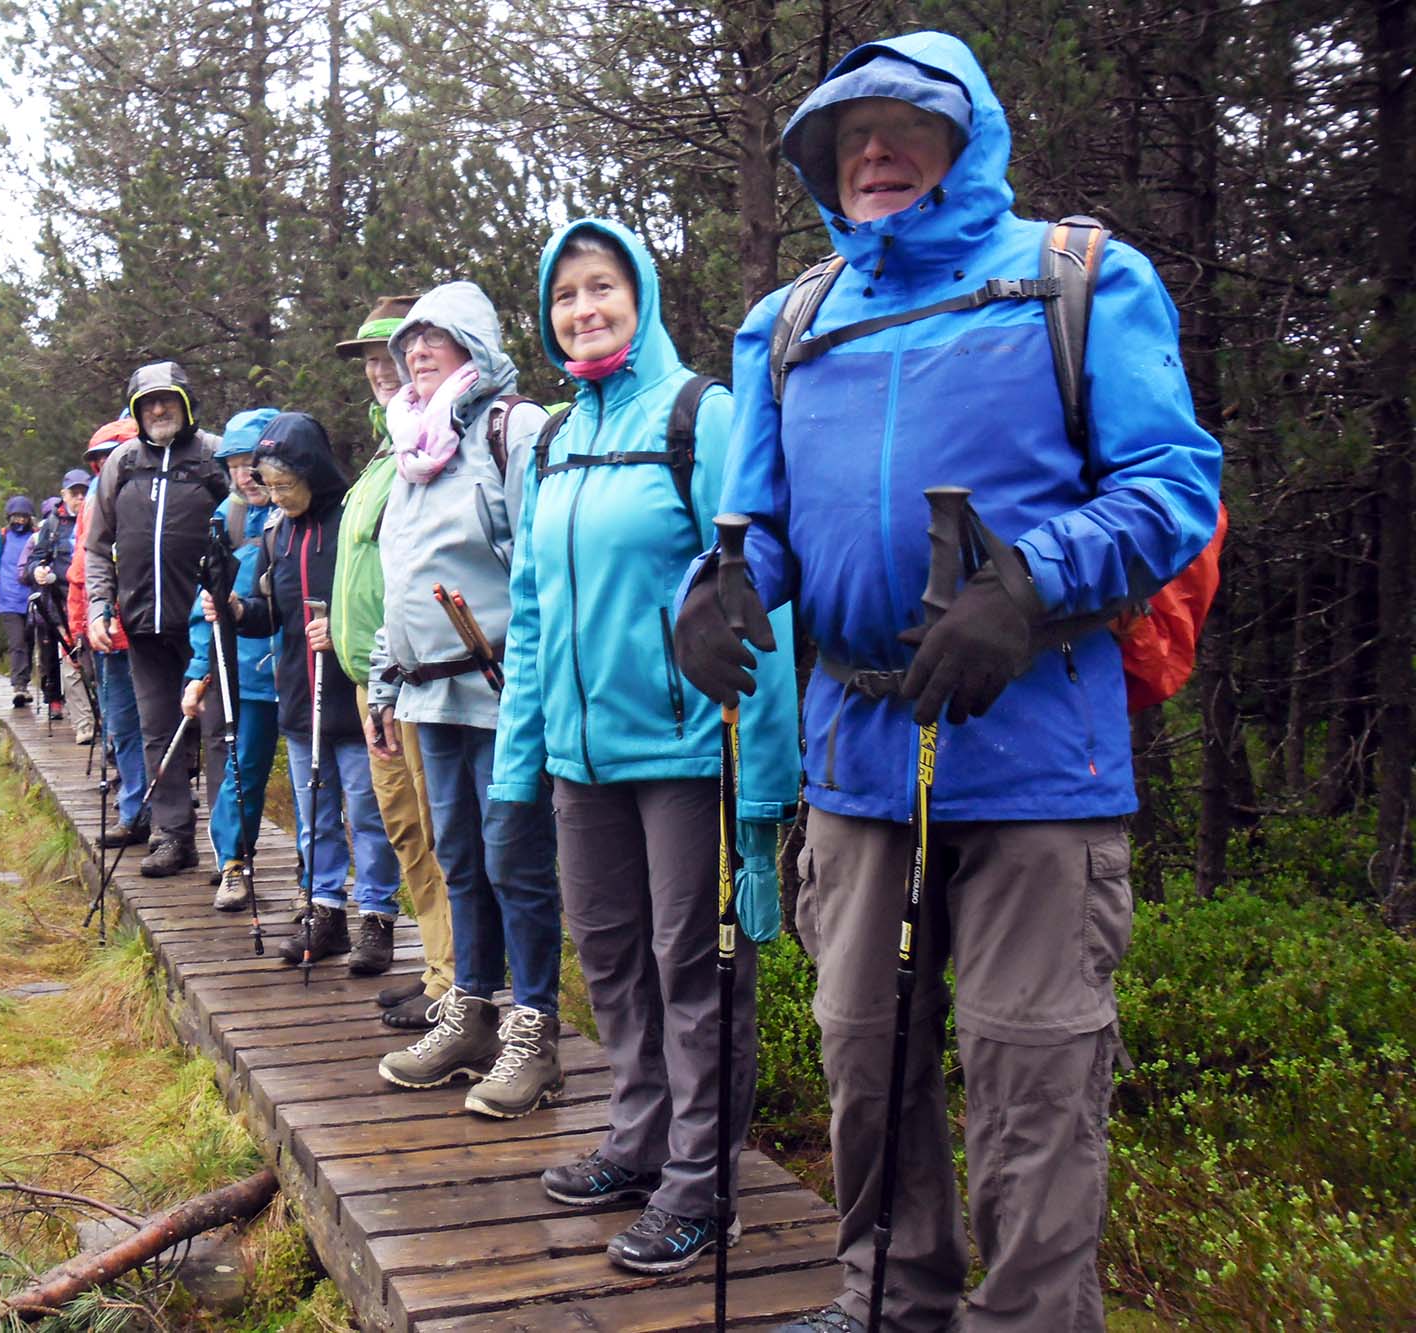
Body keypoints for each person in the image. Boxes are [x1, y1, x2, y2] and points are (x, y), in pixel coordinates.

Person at [671, 32, 1221, 1333]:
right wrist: (713, 591)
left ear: (966, 140)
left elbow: (1172, 487)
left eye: (902, 125)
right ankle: (886, 1301)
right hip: (857, 757)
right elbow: (761, 527)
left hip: (1037, 750)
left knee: (1032, 1072)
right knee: (864, 1053)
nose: (871, 151)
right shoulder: (786, 322)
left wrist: (1025, 587)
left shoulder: (1082, 277)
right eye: (844, 134)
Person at [487, 218, 802, 1272]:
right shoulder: (548, 441)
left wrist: (762, 786)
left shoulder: (699, 416)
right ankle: (638, 1138)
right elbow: (532, 613)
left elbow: (756, 599)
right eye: (564, 294)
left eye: (601, 287)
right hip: (580, 761)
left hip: (686, 754)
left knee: (692, 970)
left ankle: (703, 1185)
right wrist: (518, 767)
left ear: (641, 296)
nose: (583, 308)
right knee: (612, 957)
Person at [368, 281, 564, 1121]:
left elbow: (542, 562)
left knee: (515, 857)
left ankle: (535, 1031)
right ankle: (472, 1013)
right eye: (409, 341)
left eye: (435, 336)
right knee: (458, 855)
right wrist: (383, 679)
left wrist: (535, 677)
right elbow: (402, 574)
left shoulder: (511, 428)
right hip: (426, 692)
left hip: (498, 688)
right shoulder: (413, 442)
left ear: (476, 343)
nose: (416, 351)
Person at [225, 412, 399, 966]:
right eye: (269, 486)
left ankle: (377, 917)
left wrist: (341, 628)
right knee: (315, 812)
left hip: (355, 693)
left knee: (368, 815)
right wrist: (235, 611)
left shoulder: (351, 521)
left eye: (285, 485)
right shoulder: (276, 534)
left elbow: (381, 597)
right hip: (301, 696)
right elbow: (270, 614)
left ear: (313, 472)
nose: (277, 496)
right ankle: (324, 911)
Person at [332, 296, 454, 1029]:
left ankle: (458, 979)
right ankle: (439, 966)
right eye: (368, 360)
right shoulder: (389, 449)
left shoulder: (436, 440)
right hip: (372, 681)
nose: (379, 369)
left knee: (439, 829)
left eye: (390, 353)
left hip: (418, 677)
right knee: (406, 828)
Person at [83, 363, 230, 876]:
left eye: (167, 400)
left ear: (186, 404)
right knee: (157, 730)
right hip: (143, 622)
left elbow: (247, 527)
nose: (159, 409)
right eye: (148, 403)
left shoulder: (214, 456)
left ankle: (230, 850)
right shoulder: (122, 463)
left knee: (219, 734)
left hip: (208, 625)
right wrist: (100, 606)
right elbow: (97, 546)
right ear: (136, 411)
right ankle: (172, 836)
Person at [182, 408, 283, 912]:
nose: (245, 475)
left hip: (304, 667)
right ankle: (233, 864)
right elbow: (206, 605)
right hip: (247, 671)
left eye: (252, 463)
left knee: (320, 778)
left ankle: (315, 883)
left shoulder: (306, 511)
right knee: (243, 769)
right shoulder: (228, 518)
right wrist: (198, 672)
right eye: (235, 465)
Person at [70, 419, 151, 842]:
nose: (107, 465)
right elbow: (81, 572)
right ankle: (136, 811)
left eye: (113, 456)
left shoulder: (154, 495)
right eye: (100, 459)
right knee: (123, 725)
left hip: (152, 633)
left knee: (157, 724)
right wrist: (79, 626)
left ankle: (164, 816)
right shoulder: (92, 505)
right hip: (106, 637)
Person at [22, 480, 85, 723]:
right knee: (64, 658)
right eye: (74, 493)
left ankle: (95, 718)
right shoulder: (52, 525)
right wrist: (37, 571)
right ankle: (80, 719)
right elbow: (32, 562)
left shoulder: (98, 516)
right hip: (59, 601)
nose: (80, 498)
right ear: (64, 495)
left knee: (85, 661)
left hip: (90, 600)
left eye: (84, 492)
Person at [0, 496, 39, 707]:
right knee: (17, 642)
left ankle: (24, 682)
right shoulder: (1, 537)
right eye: (16, 517)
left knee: (29, 641)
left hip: (33, 599)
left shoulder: (36, 536)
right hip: (8, 600)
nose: (20, 521)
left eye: (24, 517)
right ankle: (19, 686)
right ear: (9, 517)